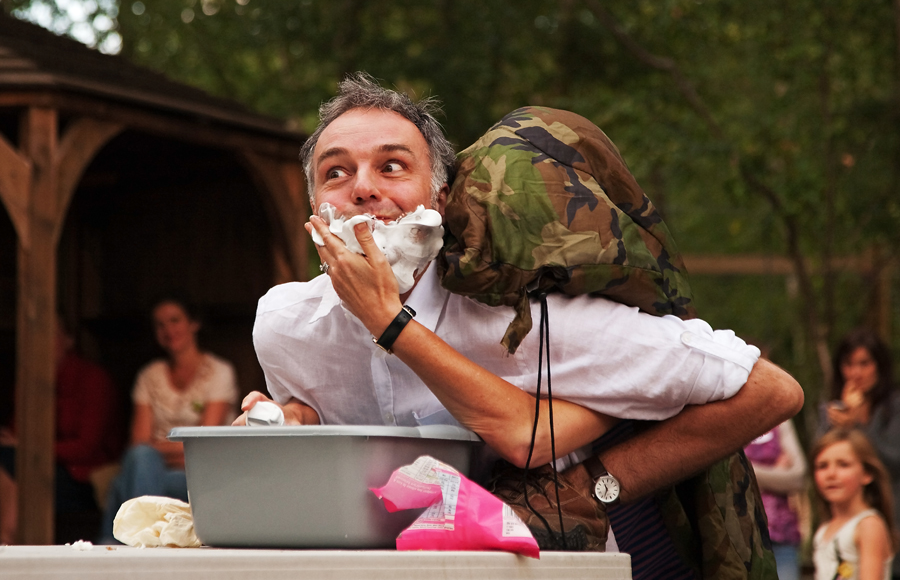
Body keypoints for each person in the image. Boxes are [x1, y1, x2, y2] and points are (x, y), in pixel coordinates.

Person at [237, 73, 804, 578]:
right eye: (336, 172)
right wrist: (289, 422)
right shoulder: (285, 327)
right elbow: (322, 426)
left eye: (392, 166)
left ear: (440, 198)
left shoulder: (523, 319)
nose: (362, 187)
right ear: (314, 207)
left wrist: (596, 485)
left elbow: (771, 391)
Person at [100, 297, 238, 543]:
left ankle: (123, 543)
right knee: (141, 458)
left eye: (175, 320)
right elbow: (139, 443)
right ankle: (143, 543)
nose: (168, 330)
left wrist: (157, 446)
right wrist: (173, 449)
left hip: (199, 473)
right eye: (160, 324)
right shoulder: (149, 375)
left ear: (194, 323)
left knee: (122, 483)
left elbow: (204, 444)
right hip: (152, 467)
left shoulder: (219, 372)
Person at [0, 318, 122, 544]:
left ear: (68, 339)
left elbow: (86, 448)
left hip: (80, 477)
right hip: (32, 466)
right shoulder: (29, 381)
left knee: (14, 466)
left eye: (51, 333)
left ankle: (7, 538)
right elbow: (16, 435)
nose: (42, 341)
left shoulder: (93, 380)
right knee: (7, 459)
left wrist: (32, 447)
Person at [819, 328, 900, 577]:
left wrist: (855, 427)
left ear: (879, 366)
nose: (856, 373)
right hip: (845, 524)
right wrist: (837, 426)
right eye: (849, 364)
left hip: (893, 516)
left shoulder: (895, 407)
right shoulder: (831, 411)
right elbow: (819, 460)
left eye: (864, 363)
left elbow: (894, 460)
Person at [812, 428, 897, 580]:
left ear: (867, 474)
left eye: (843, 465)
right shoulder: (825, 528)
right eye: (822, 466)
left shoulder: (868, 525)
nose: (831, 474)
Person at [745, 419, 807, 580]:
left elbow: (798, 477)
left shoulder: (781, 420)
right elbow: (726, 478)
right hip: (740, 536)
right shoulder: (727, 421)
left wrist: (747, 472)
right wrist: (776, 471)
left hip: (782, 534)